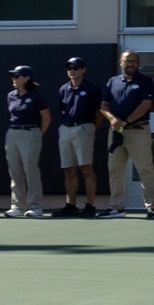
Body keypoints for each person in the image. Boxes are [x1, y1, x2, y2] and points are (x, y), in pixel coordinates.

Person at [99, 52, 154, 219]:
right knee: (115, 171)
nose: (130, 64)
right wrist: (113, 120)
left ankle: (152, 207)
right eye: (127, 61)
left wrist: (125, 121)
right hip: (116, 132)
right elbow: (104, 105)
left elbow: (146, 104)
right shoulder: (113, 82)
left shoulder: (145, 82)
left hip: (138, 131)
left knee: (145, 169)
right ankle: (116, 207)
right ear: (121, 62)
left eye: (134, 61)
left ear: (138, 63)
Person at [54, 56, 103, 218]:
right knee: (68, 169)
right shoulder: (63, 89)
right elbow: (63, 110)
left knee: (86, 168)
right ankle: (71, 205)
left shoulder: (91, 89)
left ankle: (90, 205)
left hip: (83, 128)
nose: (72, 71)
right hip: (66, 129)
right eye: (69, 67)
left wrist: (89, 129)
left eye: (76, 68)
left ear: (83, 70)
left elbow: (98, 114)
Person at [5, 66, 49, 218]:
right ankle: (17, 206)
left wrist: (36, 134)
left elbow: (46, 118)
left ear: (26, 78)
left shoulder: (37, 95)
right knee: (14, 171)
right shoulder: (11, 95)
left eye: (17, 76)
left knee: (31, 170)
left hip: (30, 132)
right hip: (12, 133)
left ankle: (35, 207)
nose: (14, 79)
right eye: (13, 77)